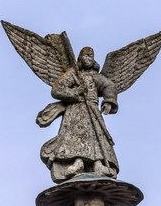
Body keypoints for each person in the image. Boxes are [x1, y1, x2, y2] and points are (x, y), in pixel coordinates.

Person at [39, 47, 119, 183]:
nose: (89, 58)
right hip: (76, 109)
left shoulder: (95, 76)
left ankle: (98, 164)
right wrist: (75, 92)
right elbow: (57, 89)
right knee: (75, 135)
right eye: (86, 55)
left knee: (96, 135)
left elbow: (109, 86)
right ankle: (78, 162)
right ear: (80, 58)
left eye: (91, 56)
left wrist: (108, 101)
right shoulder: (73, 74)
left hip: (92, 110)